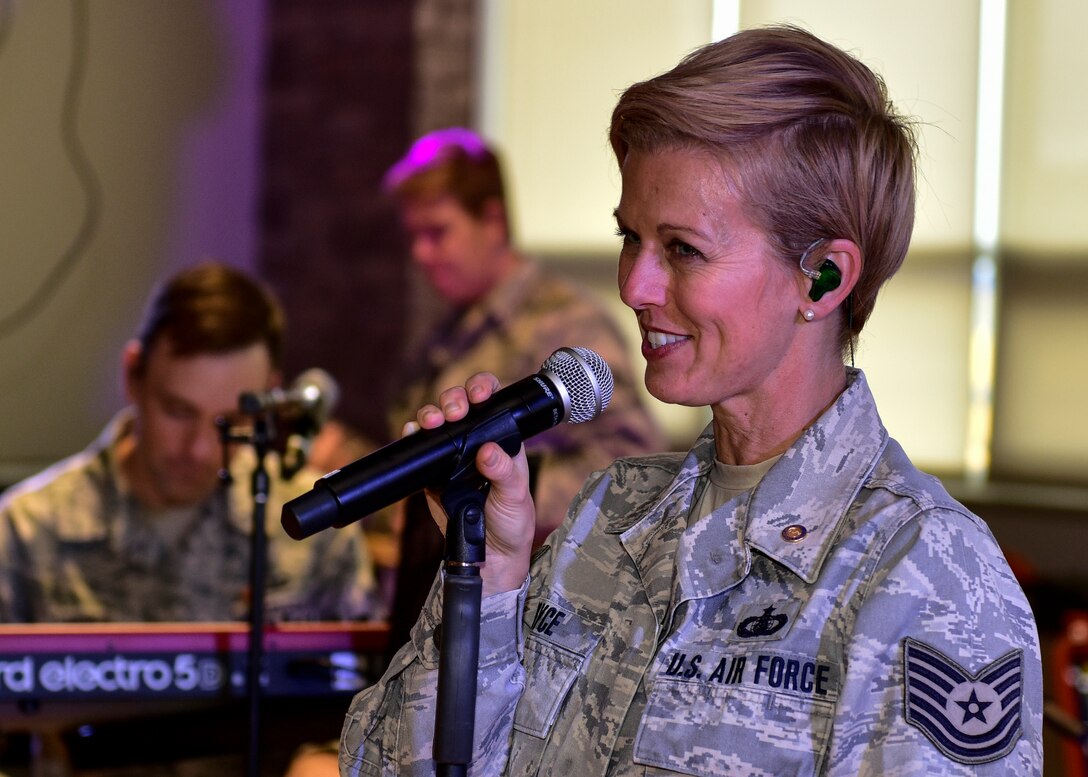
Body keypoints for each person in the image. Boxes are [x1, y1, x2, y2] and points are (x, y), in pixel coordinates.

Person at [339, 25, 1043, 776]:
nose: (634, 287)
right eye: (629, 238)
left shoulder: (924, 570)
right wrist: (493, 578)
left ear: (824, 280)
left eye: (682, 249)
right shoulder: (610, 516)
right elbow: (388, 766)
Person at [325, 127, 666, 653]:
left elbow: (631, 469)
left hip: (524, 620)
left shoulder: (565, 326)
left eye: (438, 232)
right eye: (413, 236)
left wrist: (509, 494)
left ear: (492, 219)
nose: (421, 253)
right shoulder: (444, 335)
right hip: (436, 602)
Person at [0, 261, 378, 623]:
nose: (199, 448)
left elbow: (368, 683)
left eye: (230, 422)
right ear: (133, 375)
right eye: (178, 411)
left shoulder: (316, 531)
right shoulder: (25, 533)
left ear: (269, 398)